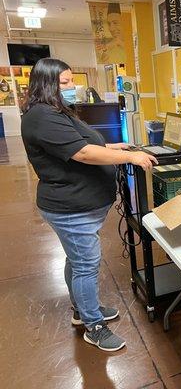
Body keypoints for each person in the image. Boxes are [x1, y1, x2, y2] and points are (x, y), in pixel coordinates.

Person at [21, 58, 157, 352]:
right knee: (85, 265)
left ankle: (82, 310)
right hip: (70, 208)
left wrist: (112, 147)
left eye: (71, 81)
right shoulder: (41, 116)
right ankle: (94, 326)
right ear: (46, 83)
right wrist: (130, 157)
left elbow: (78, 141)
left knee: (76, 260)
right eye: (65, 83)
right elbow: (81, 153)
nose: (72, 87)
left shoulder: (54, 111)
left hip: (79, 206)